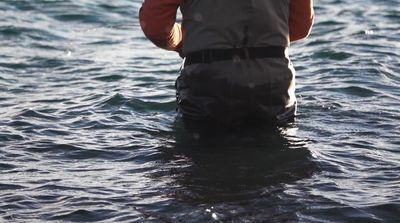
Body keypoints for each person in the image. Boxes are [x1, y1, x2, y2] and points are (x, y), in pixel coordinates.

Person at [139, 0, 314, 129]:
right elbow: (300, 26)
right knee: (277, 161)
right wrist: (264, 42)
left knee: (201, 162)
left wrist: (184, 41)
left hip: (211, 78)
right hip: (273, 79)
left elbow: (155, 25)